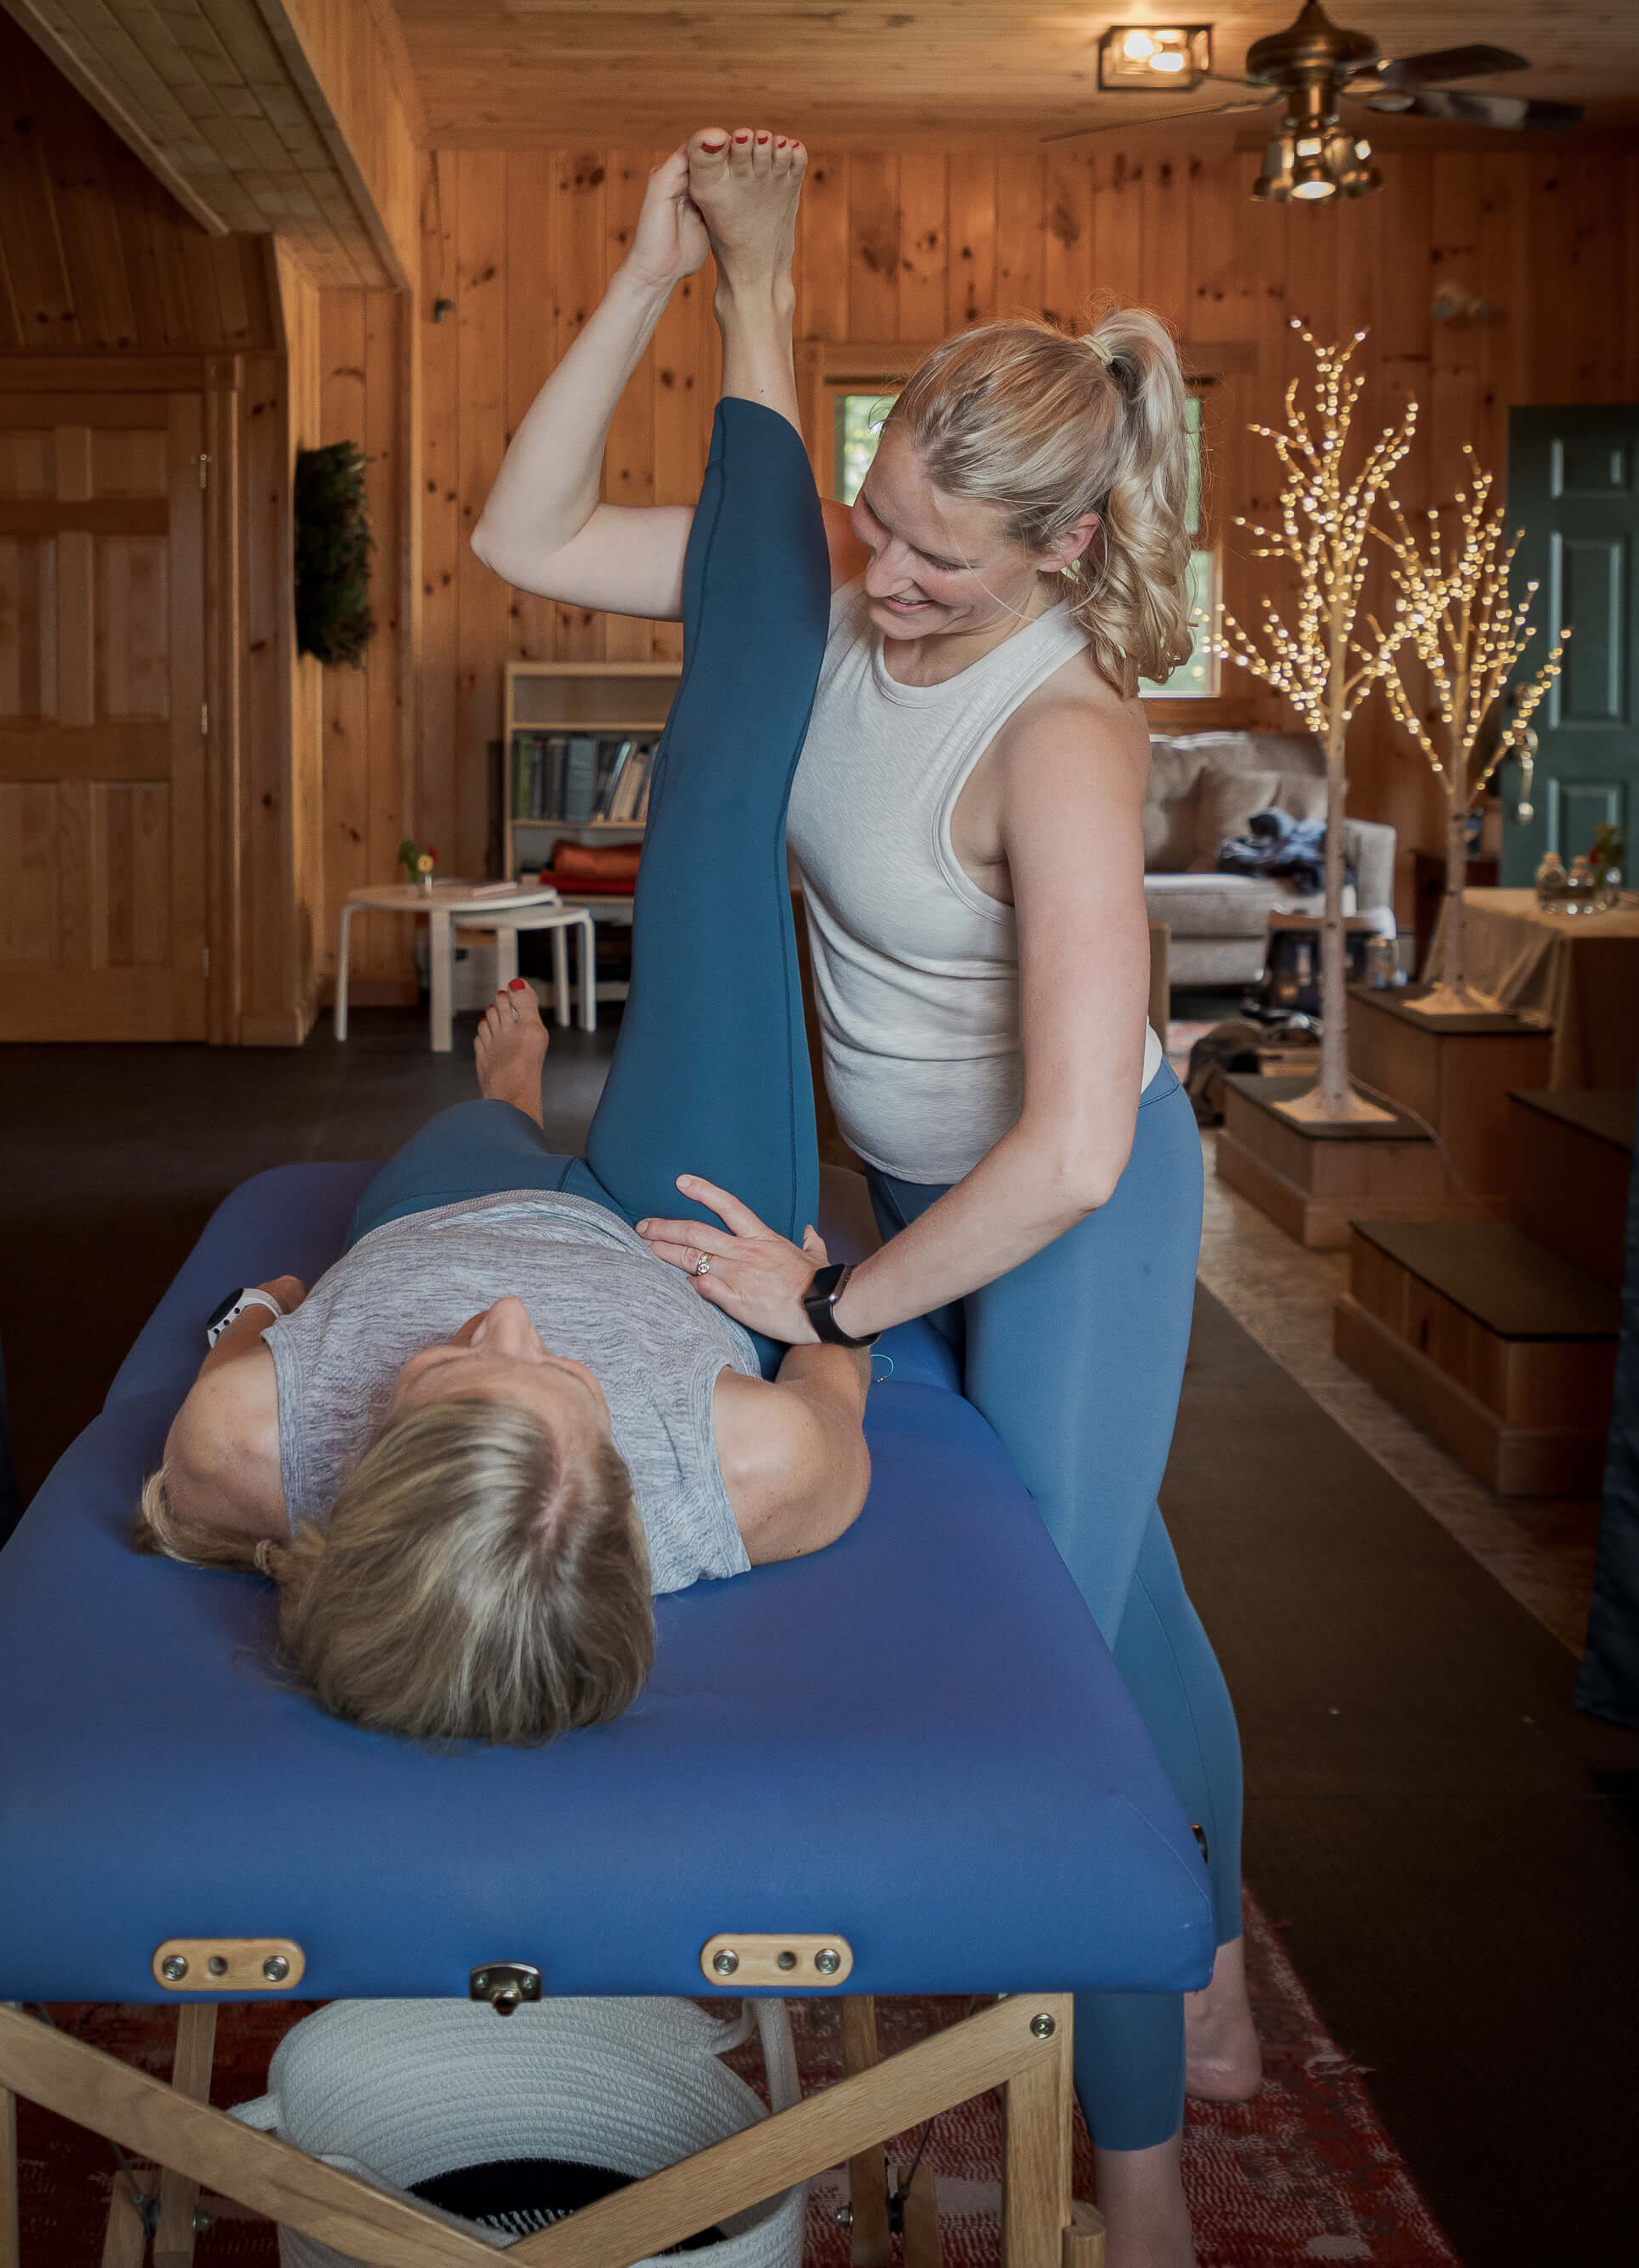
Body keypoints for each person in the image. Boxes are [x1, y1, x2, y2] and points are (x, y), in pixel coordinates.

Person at [473, 127, 1257, 2268]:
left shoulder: (1068, 737)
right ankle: (1219, 1942)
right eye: (880, 524)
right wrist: (651, 270)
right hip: (911, 1179)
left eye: (940, 563)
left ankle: (1141, 2182)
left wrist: (840, 1310)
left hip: (1067, 1215)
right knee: (1139, 1595)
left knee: (1056, 1658)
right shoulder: (832, 563)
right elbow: (520, 527)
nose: (885, 583)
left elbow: (1079, 1146)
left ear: (1067, 542)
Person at [136, 245, 869, 1748]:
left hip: (440, 1201)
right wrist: (816, 1312)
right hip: (688, 1239)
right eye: (559, 1386)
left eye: (451, 1369)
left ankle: (511, 1100)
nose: (515, 1316)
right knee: (712, 828)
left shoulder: (238, 1452)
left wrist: (279, 1303)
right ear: (623, 1497)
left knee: (487, 1136)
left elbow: (248, 1328)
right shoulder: (752, 1475)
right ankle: (758, 301)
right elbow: (838, 1373)